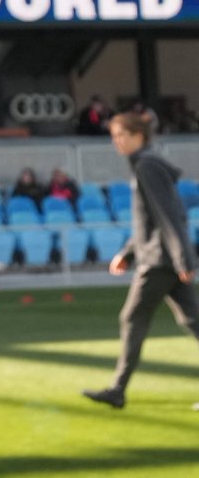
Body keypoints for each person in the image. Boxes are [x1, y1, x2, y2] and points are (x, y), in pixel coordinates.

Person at [82, 112, 199, 410]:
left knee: (132, 318)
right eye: (114, 136)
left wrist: (182, 258)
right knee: (192, 320)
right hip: (161, 256)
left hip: (159, 261)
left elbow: (168, 215)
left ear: (139, 136)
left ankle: (117, 390)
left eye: (121, 135)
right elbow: (151, 219)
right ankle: (118, 389)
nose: (116, 141)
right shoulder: (145, 165)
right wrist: (128, 252)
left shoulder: (147, 166)